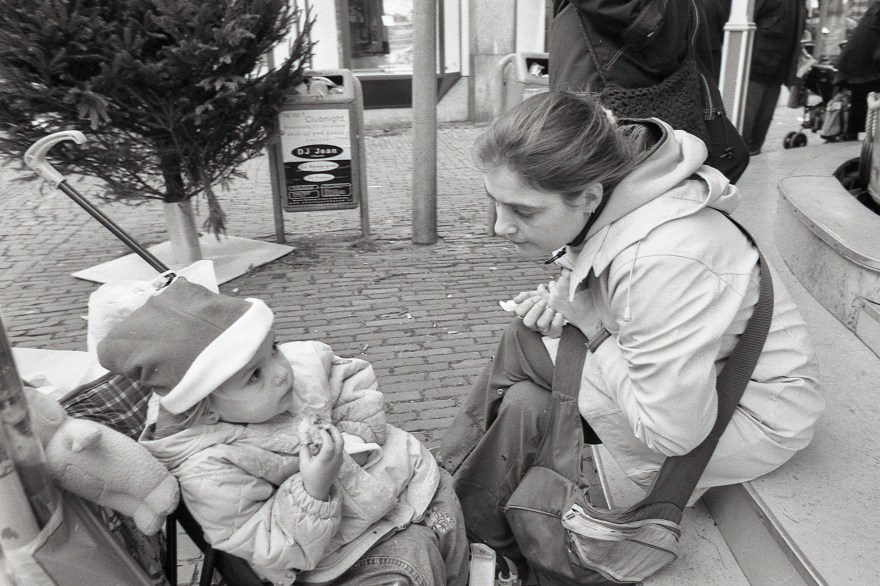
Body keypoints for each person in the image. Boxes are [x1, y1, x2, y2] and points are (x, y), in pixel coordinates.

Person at [438, 92, 824, 575]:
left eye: (524, 211)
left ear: (588, 196)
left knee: (525, 351)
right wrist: (567, 303)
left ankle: (450, 513)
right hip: (697, 385)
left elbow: (673, 434)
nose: (500, 227)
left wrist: (589, 324)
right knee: (525, 402)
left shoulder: (664, 259)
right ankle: (470, 530)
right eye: (494, 203)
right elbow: (608, 281)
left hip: (752, 416)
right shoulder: (624, 196)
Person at [96, 277, 468, 586]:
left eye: (273, 348)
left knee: (448, 511)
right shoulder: (208, 468)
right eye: (254, 375)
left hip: (407, 478)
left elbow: (347, 374)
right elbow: (269, 543)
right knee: (415, 559)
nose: (280, 371)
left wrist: (356, 434)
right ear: (204, 408)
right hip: (344, 553)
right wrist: (314, 488)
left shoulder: (295, 368)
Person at [548, 0, 750, 184]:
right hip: (617, 72)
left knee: (722, 160)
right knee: (601, 178)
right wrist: (654, 26)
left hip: (650, 69)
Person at [741, 0, 807, 155]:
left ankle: (752, 154)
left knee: (762, 120)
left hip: (776, 68)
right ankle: (742, 156)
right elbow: (747, 19)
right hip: (756, 67)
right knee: (747, 120)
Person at [834, 2, 880, 141]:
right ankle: (855, 139)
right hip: (865, 66)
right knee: (866, 100)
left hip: (854, 64)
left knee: (859, 101)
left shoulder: (874, 11)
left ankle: (850, 137)